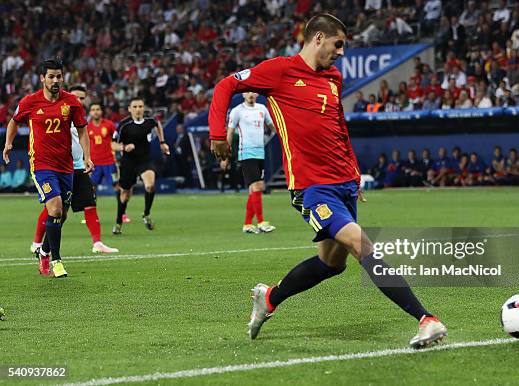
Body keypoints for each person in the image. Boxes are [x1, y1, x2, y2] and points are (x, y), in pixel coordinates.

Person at [208, 13, 446, 348]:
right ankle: (427, 320)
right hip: (312, 187)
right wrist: (218, 133)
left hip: (344, 183)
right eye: (338, 45)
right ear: (318, 38)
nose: (341, 53)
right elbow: (225, 85)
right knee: (362, 244)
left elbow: (338, 128)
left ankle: (270, 298)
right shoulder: (279, 70)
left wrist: (354, 172)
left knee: (331, 264)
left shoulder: (333, 78)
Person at [3, 58, 91, 278]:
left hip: (66, 165)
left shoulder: (71, 102)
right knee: (55, 208)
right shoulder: (30, 102)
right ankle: (57, 261)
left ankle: (44, 250)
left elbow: (82, 130)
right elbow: (14, 121)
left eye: (59, 76)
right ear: (42, 78)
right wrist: (8, 143)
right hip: (41, 164)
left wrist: (87, 157)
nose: (55, 80)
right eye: (51, 76)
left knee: (62, 215)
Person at [31, 86, 119, 255]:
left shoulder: (80, 118)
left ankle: (97, 242)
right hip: (60, 169)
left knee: (90, 204)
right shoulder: (59, 114)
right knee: (56, 210)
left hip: (79, 167)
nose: (79, 100)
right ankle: (37, 243)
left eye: (82, 98)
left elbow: (84, 140)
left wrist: (87, 159)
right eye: (76, 96)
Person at [112, 97, 170, 234]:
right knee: (125, 194)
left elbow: (158, 125)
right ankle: (119, 221)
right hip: (128, 163)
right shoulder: (124, 125)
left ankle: (146, 214)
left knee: (150, 185)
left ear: (144, 108)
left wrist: (162, 142)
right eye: (135, 107)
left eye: (140, 106)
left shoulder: (150, 121)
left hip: (145, 161)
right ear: (129, 109)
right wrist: (124, 147)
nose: (138, 109)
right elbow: (113, 144)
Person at [222, 92, 276, 234]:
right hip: (246, 152)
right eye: (248, 92)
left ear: (257, 94)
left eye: (253, 91)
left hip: (260, 153)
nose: (251, 94)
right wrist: (225, 155)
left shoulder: (262, 109)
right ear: (243, 94)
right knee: (258, 187)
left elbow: (273, 127)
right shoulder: (237, 111)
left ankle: (247, 224)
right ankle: (261, 222)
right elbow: (229, 133)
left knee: (254, 189)